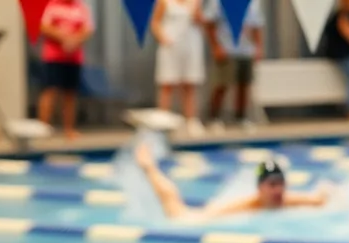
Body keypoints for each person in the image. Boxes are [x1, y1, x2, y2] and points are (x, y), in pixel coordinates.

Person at [134, 143, 329, 221]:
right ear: (260, 188)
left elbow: (322, 199)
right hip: (208, 213)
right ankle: (149, 167)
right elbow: (201, 218)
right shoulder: (247, 205)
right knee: (177, 213)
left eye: (281, 184)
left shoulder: (288, 200)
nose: (278, 190)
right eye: (272, 185)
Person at [37, 0, 93, 141]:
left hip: (74, 58)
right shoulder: (52, 6)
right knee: (50, 91)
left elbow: (88, 29)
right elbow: (44, 26)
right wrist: (63, 37)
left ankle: (69, 130)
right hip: (53, 57)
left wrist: (75, 40)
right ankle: (43, 128)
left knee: (70, 94)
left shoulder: (81, 8)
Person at [203, 0, 263, 132]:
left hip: (246, 49)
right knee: (221, 84)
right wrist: (216, 47)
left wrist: (258, 47)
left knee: (244, 85)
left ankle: (241, 117)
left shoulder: (252, 3)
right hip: (226, 48)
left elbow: (257, 25)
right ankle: (213, 118)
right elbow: (209, 24)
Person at [151, 0, 205, 136]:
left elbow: (201, 22)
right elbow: (155, 22)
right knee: (167, 84)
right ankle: (163, 122)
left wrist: (197, 14)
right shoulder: (164, 2)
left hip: (190, 46)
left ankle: (191, 120)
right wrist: (163, 38)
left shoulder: (195, 2)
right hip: (170, 46)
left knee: (189, 84)